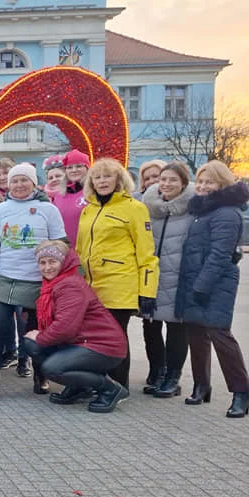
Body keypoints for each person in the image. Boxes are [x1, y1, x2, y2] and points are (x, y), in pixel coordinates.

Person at [0, 163, 67, 403]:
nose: (18, 185)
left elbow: (61, 245)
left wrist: (63, 279)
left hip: (38, 281)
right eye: (14, 180)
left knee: (35, 332)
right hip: (5, 278)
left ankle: (40, 375)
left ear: (34, 183)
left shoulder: (48, 210)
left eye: (23, 180)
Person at [175, 161, 249, 418]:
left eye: (210, 182)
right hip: (195, 281)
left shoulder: (227, 213)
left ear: (223, 184)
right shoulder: (202, 211)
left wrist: (201, 286)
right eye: (202, 181)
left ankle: (241, 393)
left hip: (215, 283)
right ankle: (201, 385)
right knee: (196, 335)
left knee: (221, 336)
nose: (204, 186)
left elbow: (220, 254)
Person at [75, 158, 159, 393]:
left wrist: (147, 292)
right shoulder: (88, 210)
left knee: (115, 337)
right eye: (97, 177)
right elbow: (81, 250)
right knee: (95, 338)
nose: (102, 181)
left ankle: (118, 387)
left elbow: (147, 255)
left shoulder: (134, 208)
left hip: (120, 284)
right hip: (92, 286)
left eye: (107, 176)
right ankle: (98, 383)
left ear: (119, 179)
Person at [22, 241, 129, 413]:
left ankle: (110, 389)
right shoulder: (56, 283)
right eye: (42, 262)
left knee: (52, 368)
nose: (47, 267)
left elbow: (65, 328)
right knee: (31, 344)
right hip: (81, 342)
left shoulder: (70, 285)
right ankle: (79, 387)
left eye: (52, 261)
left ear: (64, 263)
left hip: (103, 346)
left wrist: (40, 337)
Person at [140, 162, 194, 397]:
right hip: (152, 275)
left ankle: (173, 376)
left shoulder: (193, 208)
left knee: (176, 327)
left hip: (179, 276)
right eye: (163, 179)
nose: (166, 184)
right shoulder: (147, 207)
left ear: (183, 183)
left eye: (173, 180)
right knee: (150, 325)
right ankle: (156, 370)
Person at [54, 149, 90, 245]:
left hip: (90, 249)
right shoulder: (59, 196)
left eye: (79, 166)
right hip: (66, 250)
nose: (74, 170)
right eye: (69, 167)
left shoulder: (94, 192)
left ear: (87, 168)